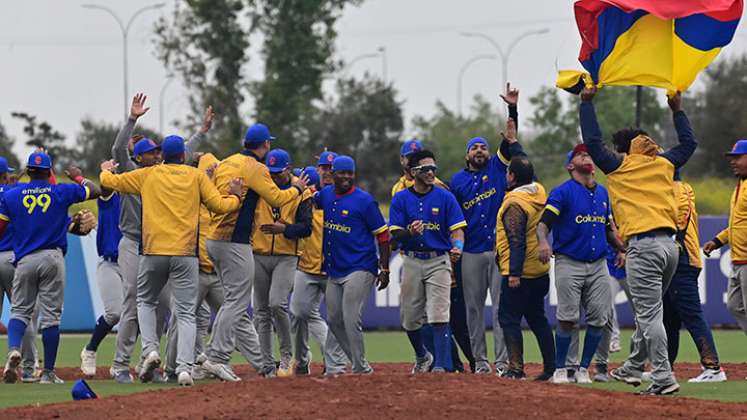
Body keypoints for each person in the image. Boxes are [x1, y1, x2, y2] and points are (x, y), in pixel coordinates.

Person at [100, 135, 243, 387]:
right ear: (184, 156)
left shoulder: (149, 175)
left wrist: (105, 172)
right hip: (186, 254)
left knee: (145, 301)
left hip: (153, 252)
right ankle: (184, 368)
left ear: (163, 155)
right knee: (187, 313)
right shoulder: (196, 176)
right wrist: (235, 197)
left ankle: (151, 350)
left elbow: (111, 182)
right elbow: (219, 206)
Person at [580, 87, 697, 395]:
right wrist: (677, 110)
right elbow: (689, 143)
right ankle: (633, 365)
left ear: (628, 152)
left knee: (649, 315)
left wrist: (587, 104)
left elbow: (592, 142)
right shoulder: (664, 163)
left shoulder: (620, 166)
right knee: (652, 310)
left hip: (644, 246)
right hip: (671, 246)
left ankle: (662, 376)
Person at [109, 93, 213, 384]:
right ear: (138, 157)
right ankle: (120, 365)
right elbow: (118, 148)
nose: (156, 155)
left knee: (173, 307)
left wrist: (201, 132)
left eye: (158, 152)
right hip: (134, 243)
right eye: (151, 152)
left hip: (162, 248)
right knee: (133, 301)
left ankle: (158, 363)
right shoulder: (133, 172)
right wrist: (132, 120)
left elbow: (183, 152)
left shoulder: (163, 173)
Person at [202, 123, 307, 381]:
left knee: (234, 305)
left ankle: (263, 365)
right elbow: (277, 199)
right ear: (265, 145)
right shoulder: (254, 167)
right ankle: (216, 357)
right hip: (234, 242)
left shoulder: (227, 161)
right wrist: (298, 189)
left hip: (213, 239)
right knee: (236, 303)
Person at [2, 151, 101, 384]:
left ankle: (13, 350)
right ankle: (47, 373)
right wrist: (77, 177)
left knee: (19, 312)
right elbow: (96, 191)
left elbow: (1, 228)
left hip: (25, 259)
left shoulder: (12, 195)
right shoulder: (61, 191)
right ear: (49, 172)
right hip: (52, 258)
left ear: (27, 171)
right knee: (51, 318)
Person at [163, 153, 263, 381]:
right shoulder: (189, 199)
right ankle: (171, 370)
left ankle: (263, 365)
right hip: (195, 271)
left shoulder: (221, 199)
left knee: (239, 316)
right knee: (181, 318)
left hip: (215, 273)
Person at [450, 83, 523, 375]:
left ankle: (503, 362)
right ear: (467, 155)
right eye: (474, 147)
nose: (479, 150)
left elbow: (511, 138)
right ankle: (480, 361)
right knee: (473, 309)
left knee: (500, 309)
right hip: (471, 251)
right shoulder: (457, 181)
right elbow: (452, 220)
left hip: (498, 250)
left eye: (482, 146)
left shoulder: (496, 167)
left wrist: (513, 108)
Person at [536, 145, 624, 384]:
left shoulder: (603, 193)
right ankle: (562, 369)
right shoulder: (562, 192)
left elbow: (608, 229)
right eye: (580, 154)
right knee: (568, 318)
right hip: (569, 261)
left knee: (599, 318)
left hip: (598, 264)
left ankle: (584, 368)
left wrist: (622, 248)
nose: (586, 156)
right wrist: (543, 242)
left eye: (588, 153)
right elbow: (543, 223)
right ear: (570, 165)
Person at [392, 140, 472, 373]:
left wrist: (457, 246)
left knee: (439, 313)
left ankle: (442, 366)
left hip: (439, 259)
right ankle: (422, 355)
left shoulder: (445, 197)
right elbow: (394, 235)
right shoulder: (400, 198)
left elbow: (457, 228)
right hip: (412, 259)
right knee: (410, 318)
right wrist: (410, 232)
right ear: (414, 171)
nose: (430, 173)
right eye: (425, 169)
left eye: (433, 169)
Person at [315, 155, 390, 374]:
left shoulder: (364, 201)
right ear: (333, 174)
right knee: (335, 320)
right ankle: (359, 364)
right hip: (335, 268)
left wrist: (384, 268)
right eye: (342, 172)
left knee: (350, 318)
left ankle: (360, 367)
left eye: (350, 173)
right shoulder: (326, 195)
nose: (347, 177)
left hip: (360, 266)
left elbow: (383, 236)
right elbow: (310, 198)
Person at [252, 149, 313, 377]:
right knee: (261, 311)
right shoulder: (260, 187)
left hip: (287, 255)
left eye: (279, 172)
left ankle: (287, 356)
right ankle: (267, 364)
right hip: (259, 253)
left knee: (277, 304)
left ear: (288, 169)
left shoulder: (302, 192)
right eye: (271, 172)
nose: (275, 176)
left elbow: (307, 227)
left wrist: (285, 229)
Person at [494, 152, 555, 381]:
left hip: (522, 271)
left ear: (511, 176)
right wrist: (513, 145)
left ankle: (516, 368)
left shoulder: (515, 204)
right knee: (538, 318)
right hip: (540, 271)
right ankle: (551, 367)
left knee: (508, 318)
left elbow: (516, 240)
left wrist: (513, 273)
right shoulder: (538, 191)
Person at [661, 171, 725, 383]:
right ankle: (666, 368)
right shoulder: (663, 189)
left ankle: (713, 367)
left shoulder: (680, 188)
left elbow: (680, 221)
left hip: (683, 261)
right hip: (672, 261)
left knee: (692, 315)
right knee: (669, 318)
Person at [290, 154, 349, 376]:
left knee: (337, 318)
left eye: (330, 167)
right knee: (297, 312)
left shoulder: (344, 198)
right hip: (307, 265)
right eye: (323, 167)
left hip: (334, 267)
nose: (326, 171)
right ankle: (302, 359)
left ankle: (336, 364)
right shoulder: (307, 197)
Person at [704, 140, 747, 374]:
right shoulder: (740, 185)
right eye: (732, 157)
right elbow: (737, 225)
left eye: (738, 157)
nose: (733, 161)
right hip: (738, 260)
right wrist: (718, 240)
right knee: (734, 306)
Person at [79, 170, 123, 378]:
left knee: (140, 317)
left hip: (137, 263)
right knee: (114, 313)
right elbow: (103, 188)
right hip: (110, 263)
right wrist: (81, 178)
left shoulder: (143, 196)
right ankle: (90, 350)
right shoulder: (110, 195)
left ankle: (121, 363)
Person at [0, 157, 40, 383]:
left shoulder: (12, 189)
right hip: (11, 258)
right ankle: (28, 367)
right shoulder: (14, 193)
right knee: (22, 313)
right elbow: (39, 189)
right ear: (6, 175)